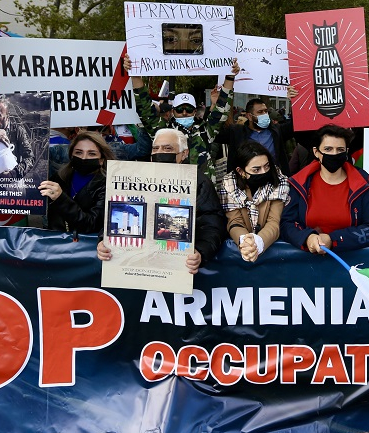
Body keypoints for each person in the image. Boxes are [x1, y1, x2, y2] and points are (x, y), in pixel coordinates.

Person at [97, 128, 226, 274]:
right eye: (155, 148)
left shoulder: (198, 182)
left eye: (167, 148)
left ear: (184, 153)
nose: (160, 152)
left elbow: (212, 222)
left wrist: (201, 252)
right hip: (135, 267)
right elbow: (118, 213)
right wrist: (104, 240)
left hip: (178, 268)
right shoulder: (134, 179)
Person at [126, 56, 237, 182]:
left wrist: (230, 77)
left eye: (188, 109)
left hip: (202, 192)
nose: (184, 113)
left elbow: (221, 110)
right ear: (173, 112)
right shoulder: (163, 131)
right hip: (171, 189)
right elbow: (145, 109)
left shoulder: (206, 131)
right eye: (179, 110)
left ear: (195, 111)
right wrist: (135, 74)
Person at [280, 125, 369, 253]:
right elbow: (286, 224)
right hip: (306, 262)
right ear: (316, 152)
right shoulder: (300, 183)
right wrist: (307, 237)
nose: (334, 154)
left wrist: (335, 240)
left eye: (340, 149)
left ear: (346, 151)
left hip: (352, 261)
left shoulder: (362, 183)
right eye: (328, 149)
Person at [217, 141, 290, 262]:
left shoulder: (280, 180)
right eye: (256, 170)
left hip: (272, 248)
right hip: (245, 247)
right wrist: (245, 241)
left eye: (267, 166)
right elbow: (234, 221)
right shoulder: (229, 184)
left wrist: (258, 243)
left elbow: (274, 221)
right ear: (241, 171)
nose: (263, 172)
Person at [39, 131, 113, 235]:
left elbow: (91, 224)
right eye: (78, 152)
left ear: (101, 160)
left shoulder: (107, 186)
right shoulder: (59, 177)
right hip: (55, 243)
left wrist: (61, 199)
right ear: (71, 155)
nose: (83, 158)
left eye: (91, 154)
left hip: (84, 247)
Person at [216, 96, 296, 176]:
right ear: (249, 116)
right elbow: (214, 134)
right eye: (260, 112)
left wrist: (294, 100)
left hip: (273, 179)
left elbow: (296, 124)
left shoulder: (277, 130)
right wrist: (215, 105)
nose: (264, 114)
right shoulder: (236, 132)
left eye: (266, 111)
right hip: (246, 182)